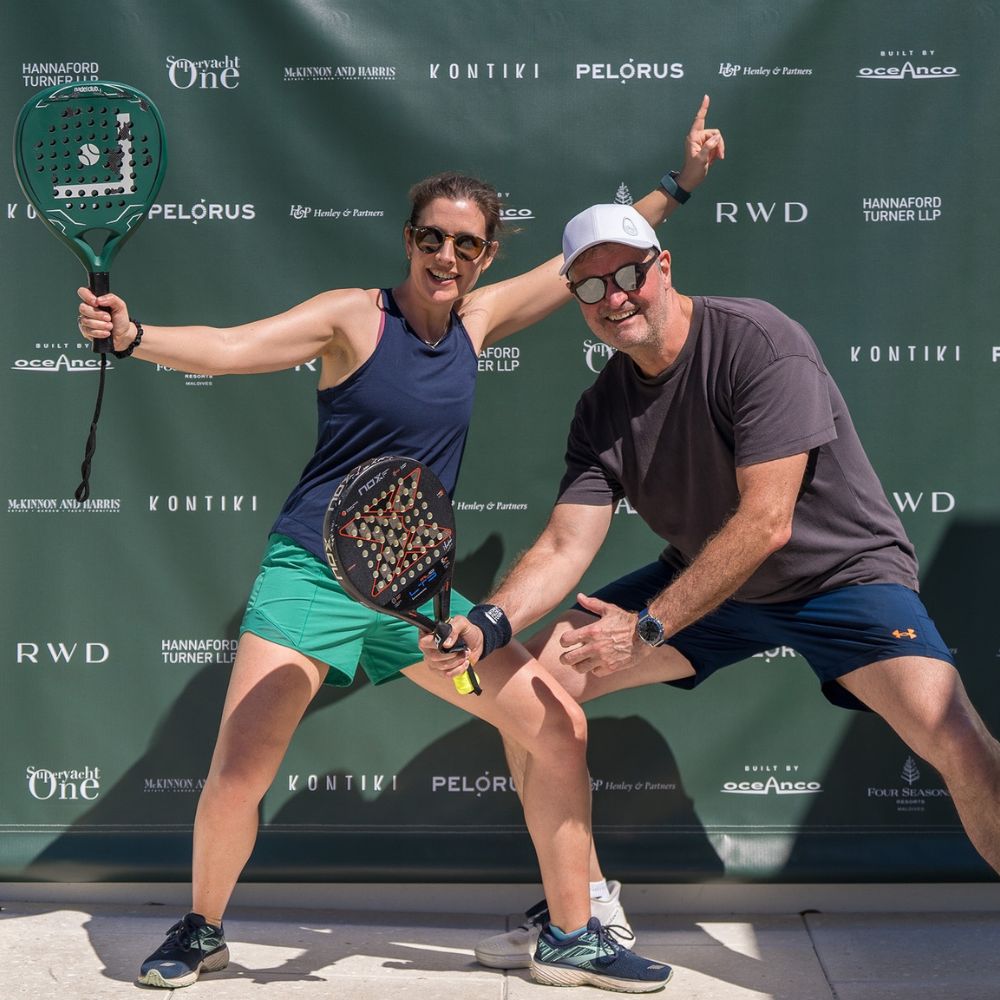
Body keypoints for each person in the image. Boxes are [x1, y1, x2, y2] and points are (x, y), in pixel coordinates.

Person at [75, 102, 724, 992]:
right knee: (241, 766)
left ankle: (573, 936)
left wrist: (677, 186)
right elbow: (231, 348)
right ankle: (201, 930)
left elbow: (584, 261)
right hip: (312, 573)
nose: (447, 255)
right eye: (432, 237)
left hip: (413, 593)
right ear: (409, 240)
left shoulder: (478, 320)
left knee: (558, 727)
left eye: (466, 244)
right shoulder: (354, 318)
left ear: (484, 256)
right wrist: (134, 336)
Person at [422, 202, 1000, 970]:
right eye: (590, 287)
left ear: (663, 268)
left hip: (841, 576)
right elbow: (564, 545)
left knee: (954, 735)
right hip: (708, 581)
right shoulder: (601, 410)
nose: (614, 297)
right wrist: (491, 623)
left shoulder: (759, 341)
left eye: (628, 275)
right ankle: (582, 915)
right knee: (532, 685)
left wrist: (647, 628)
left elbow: (766, 522)